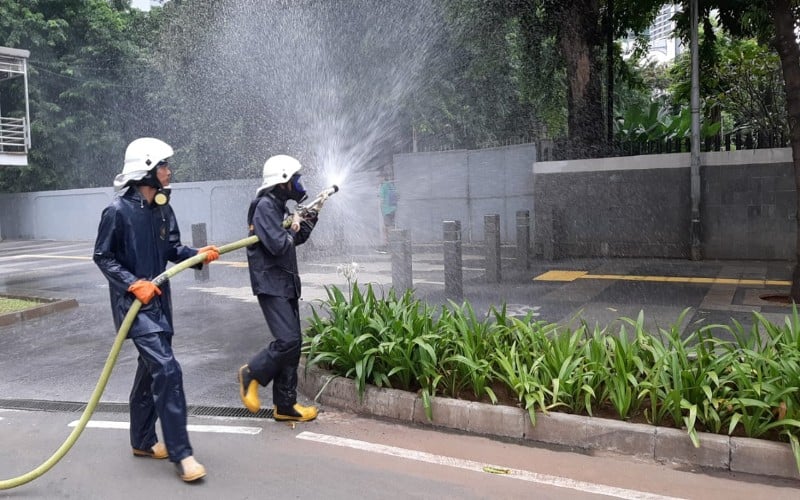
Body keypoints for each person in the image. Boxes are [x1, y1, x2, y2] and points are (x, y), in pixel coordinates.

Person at [93, 137, 220, 483]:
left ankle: (142, 441)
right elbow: (102, 256)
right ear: (146, 169)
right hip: (134, 306)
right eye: (163, 166)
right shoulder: (117, 211)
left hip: (160, 303)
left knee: (149, 371)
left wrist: (197, 254)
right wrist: (133, 283)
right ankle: (182, 454)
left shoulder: (163, 208)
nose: (168, 171)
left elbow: (173, 247)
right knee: (167, 369)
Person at [237, 154, 319, 422]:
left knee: (294, 345)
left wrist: (310, 218)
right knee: (288, 340)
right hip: (271, 283)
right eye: (295, 178)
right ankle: (251, 373)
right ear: (283, 181)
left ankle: (285, 405)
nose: (299, 183)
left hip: (285, 281)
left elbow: (295, 239)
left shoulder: (280, 206)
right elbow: (278, 244)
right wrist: (293, 227)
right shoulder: (264, 207)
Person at [378, 171, 397, 247]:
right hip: (393, 209)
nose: (378, 179)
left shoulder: (383, 187)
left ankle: (388, 244)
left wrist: (381, 208)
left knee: (386, 227)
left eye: (379, 177)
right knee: (391, 226)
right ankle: (393, 242)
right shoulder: (391, 185)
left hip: (386, 210)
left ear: (383, 177)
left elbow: (381, 200)